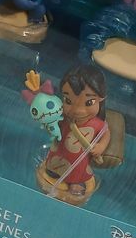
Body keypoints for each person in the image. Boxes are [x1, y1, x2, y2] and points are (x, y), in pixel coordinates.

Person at [45, 64, 111, 197]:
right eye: (68, 100)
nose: (77, 111)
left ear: (101, 98)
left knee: (78, 168)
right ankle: (54, 170)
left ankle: (76, 181)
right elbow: (54, 124)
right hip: (60, 150)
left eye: (89, 103)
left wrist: (101, 146)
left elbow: (106, 134)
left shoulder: (97, 124)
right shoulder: (64, 116)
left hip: (79, 158)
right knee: (54, 164)